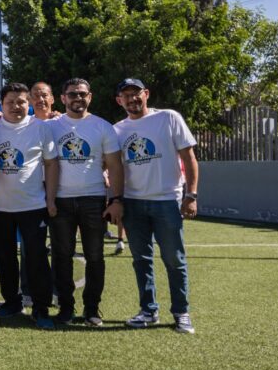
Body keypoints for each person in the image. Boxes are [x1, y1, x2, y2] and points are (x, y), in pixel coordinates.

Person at [113, 78, 199, 334]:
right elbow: (114, 167)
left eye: (136, 93)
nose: (132, 99)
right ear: (119, 100)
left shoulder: (168, 118)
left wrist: (191, 195)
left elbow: (189, 158)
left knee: (174, 259)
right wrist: (116, 200)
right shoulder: (117, 130)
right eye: (126, 95)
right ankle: (148, 311)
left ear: (146, 94)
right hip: (133, 203)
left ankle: (181, 312)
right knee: (141, 260)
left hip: (166, 201)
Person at [46, 78, 124, 326]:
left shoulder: (102, 126)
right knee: (61, 256)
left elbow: (115, 165)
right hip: (60, 200)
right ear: (63, 98)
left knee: (95, 256)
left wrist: (116, 199)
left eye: (82, 94)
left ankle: (91, 309)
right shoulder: (50, 126)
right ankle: (66, 308)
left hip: (93, 199)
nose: (77, 98)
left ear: (90, 97)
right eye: (72, 94)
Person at [0, 83, 58, 330]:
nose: (16, 106)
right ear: (1, 104)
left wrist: (50, 199)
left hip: (33, 206)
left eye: (21, 102)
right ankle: (12, 302)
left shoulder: (41, 128)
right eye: (10, 102)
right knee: (5, 258)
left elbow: (51, 164)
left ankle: (41, 307)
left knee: (37, 259)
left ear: (28, 104)